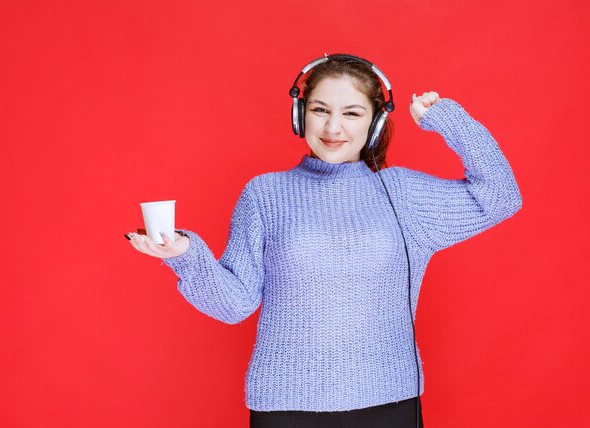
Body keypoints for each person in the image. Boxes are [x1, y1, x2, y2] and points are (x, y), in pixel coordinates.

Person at [124, 54, 522, 428]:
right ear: (300, 114)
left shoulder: (405, 194)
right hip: (286, 405)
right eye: (320, 110)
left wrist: (447, 119)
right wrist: (184, 255)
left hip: (390, 401)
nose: (333, 128)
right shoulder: (264, 195)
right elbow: (234, 305)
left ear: (376, 122)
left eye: (352, 113)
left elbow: (502, 198)